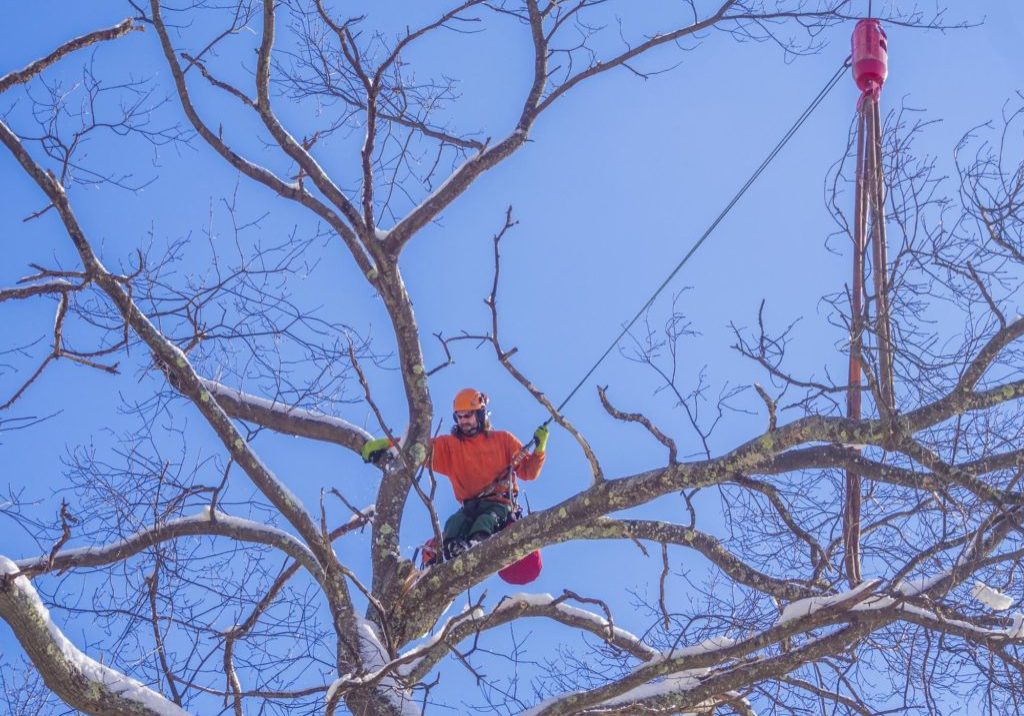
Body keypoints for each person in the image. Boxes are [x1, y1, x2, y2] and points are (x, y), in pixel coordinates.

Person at [361, 388, 549, 560]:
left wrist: (539, 448)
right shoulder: (450, 447)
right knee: (454, 523)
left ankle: (477, 544)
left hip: (499, 505)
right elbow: (417, 447)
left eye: (468, 415)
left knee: (486, 521)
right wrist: (386, 445)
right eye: (459, 417)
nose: (463, 421)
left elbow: (528, 472)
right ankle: (447, 552)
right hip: (470, 507)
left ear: (481, 414)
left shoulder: (503, 440)